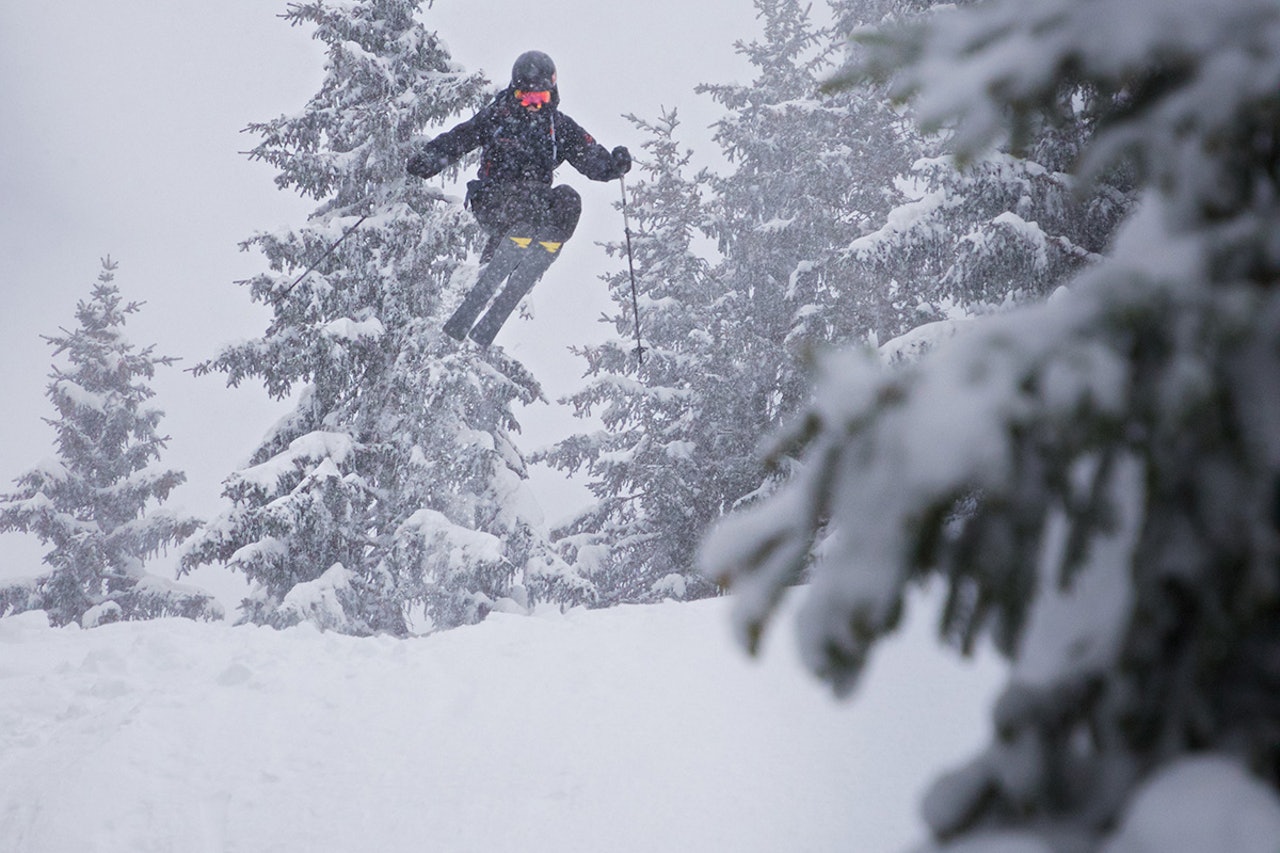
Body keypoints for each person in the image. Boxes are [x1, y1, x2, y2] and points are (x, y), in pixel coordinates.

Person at [407, 50, 632, 346]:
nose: (534, 106)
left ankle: (543, 246)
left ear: (552, 94)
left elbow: (589, 156)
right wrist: (429, 159)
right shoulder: (498, 116)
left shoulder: (558, 127)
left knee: (568, 198)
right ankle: (503, 253)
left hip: (534, 207)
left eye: (540, 99)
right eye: (527, 99)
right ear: (515, 93)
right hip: (494, 200)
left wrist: (613, 166)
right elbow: (460, 137)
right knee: (523, 203)